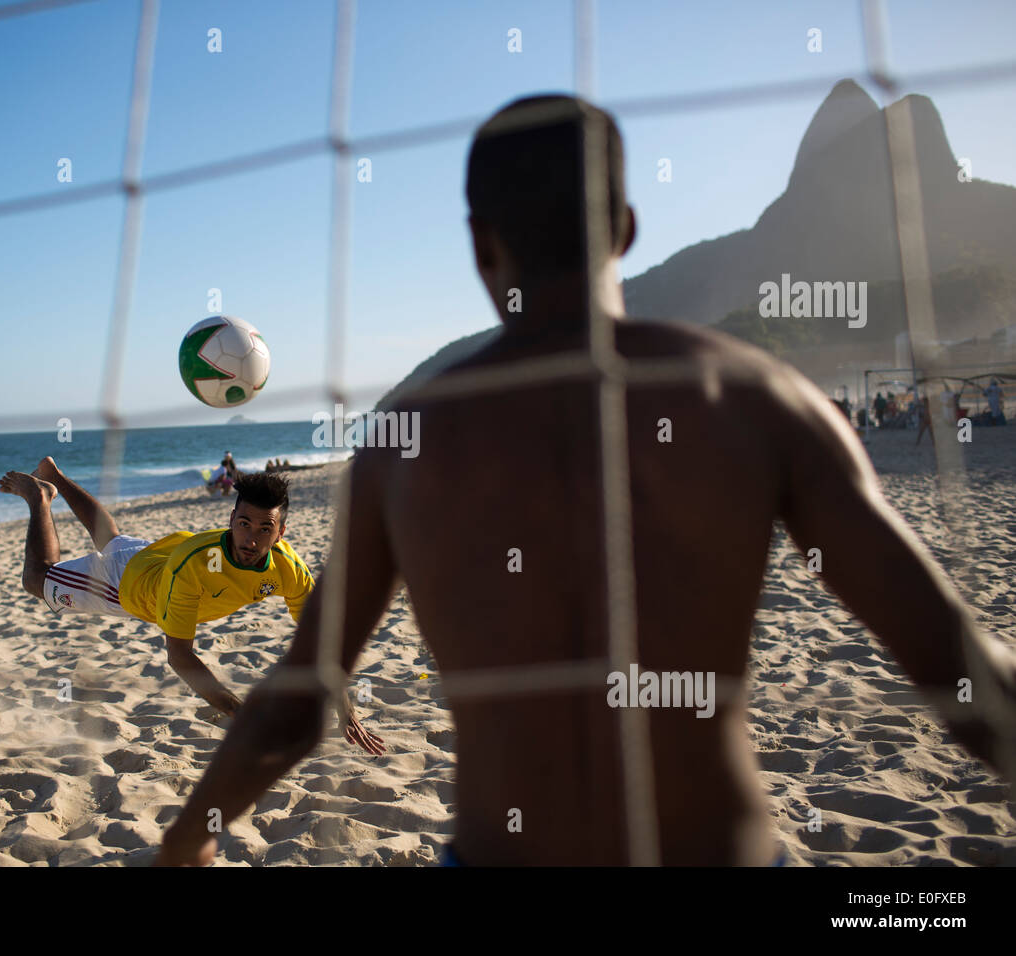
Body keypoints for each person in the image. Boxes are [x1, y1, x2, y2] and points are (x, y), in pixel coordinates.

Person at [154, 94, 1016, 867]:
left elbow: (297, 701)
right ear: (628, 228)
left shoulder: (407, 442)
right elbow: (955, 660)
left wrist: (186, 843)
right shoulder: (756, 397)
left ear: (479, 244)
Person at [0, 457, 384, 754]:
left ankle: (56, 476)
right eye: (244, 524)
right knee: (36, 579)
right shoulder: (196, 567)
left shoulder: (291, 570)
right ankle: (39, 496)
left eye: (265, 529)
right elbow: (180, 657)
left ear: (281, 533)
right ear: (231, 518)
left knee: (111, 537)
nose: (251, 538)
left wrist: (347, 708)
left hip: (159, 555)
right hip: (126, 587)